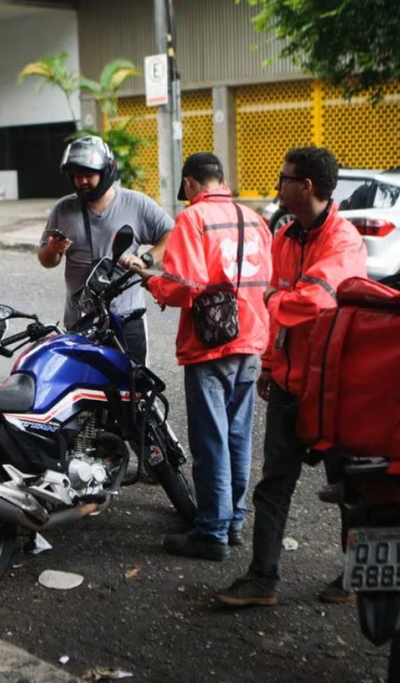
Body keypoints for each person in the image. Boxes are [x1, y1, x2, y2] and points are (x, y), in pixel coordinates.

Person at [217, 146, 368, 606]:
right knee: (274, 484)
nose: (277, 186)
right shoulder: (286, 237)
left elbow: (317, 298)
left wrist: (270, 303)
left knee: (351, 488)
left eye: (284, 179)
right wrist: (267, 364)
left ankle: (356, 577)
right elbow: (285, 315)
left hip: (336, 388)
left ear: (305, 187)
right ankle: (263, 579)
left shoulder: (344, 241)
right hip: (289, 382)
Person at [122, 152, 271, 561]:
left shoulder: (194, 219)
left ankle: (211, 532)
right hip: (252, 339)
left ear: (190, 184)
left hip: (211, 345)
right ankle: (234, 521)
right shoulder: (254, 218)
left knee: (210, 443)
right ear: (220, 180)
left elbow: (185, 285)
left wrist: (149, 281)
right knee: (238, 438)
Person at [37, 135, 173, 365]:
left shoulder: (136, 204)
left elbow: (172, 234)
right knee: (82, 390)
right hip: (80, 321)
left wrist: (147, 259)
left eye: (88, 175)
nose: (81, 181)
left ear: (106, 171)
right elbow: (46, 260)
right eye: (76, 176)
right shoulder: (63, 209)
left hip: (127, 319)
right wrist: (53, 249)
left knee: (133, 391)